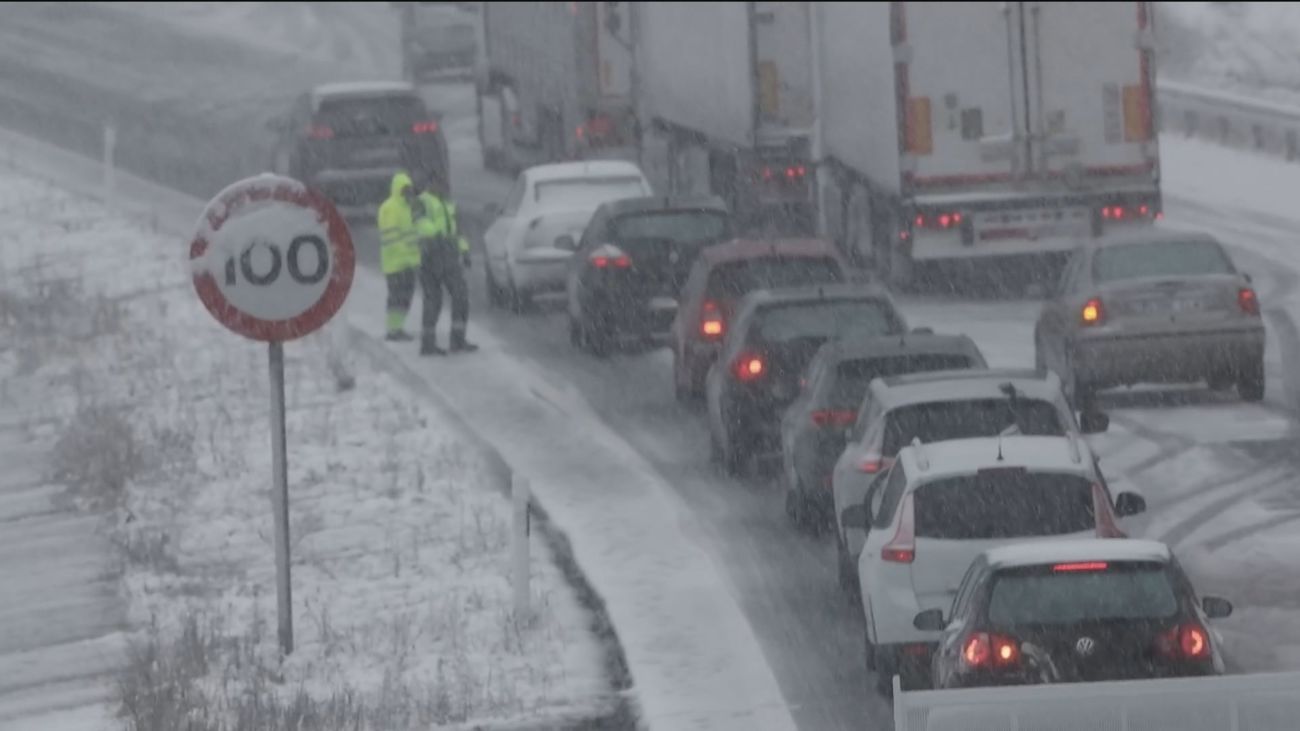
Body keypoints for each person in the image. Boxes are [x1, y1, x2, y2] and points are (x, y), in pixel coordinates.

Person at [414, 172, 478, 355]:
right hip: (432, 254)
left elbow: (457, 230)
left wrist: (464, 250)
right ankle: (429, 344)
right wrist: (436, 235)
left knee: (460, 297)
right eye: (440, 184)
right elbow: (420, 224)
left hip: (448, 254)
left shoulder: (449, 204)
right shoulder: (422, 202)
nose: (443, 188)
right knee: (435, 300)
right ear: (431, 184)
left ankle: (457, 340)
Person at [376, 171, 423, 341]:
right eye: (405, 189)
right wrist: (408, 257)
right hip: (395, 264)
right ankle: (392, 330)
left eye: (409, 189)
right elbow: (392, 239)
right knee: (396, 298)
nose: (408, 192)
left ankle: (398, 328)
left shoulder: (408, 208)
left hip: (408, 264)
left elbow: (414, 234)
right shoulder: (389, 208)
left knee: (405, 298)